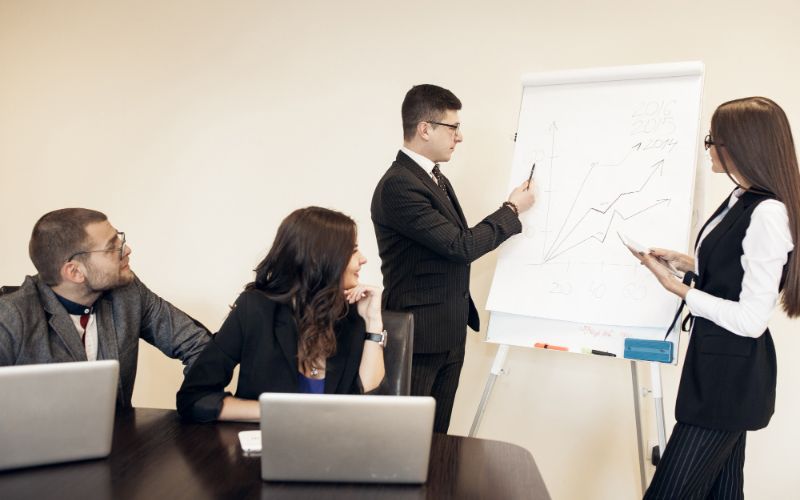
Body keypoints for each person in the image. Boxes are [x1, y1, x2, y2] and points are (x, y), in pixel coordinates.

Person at [632, 97, 800, 499]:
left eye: (713, 139)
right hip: (718, 367)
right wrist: (689, 264)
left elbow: (751, 319)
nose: (708, 147)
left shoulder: (768, 212)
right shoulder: (741, 198)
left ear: (741, 144)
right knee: (723, 493)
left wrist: (680, 289)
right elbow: (738, 272)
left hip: (730, 377)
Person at [370, 84, 535, 433]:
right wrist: (510, 210)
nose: (459, 137)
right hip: (418, 339)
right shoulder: (400, 185)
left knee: (437, 440)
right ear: (425, 128)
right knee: (407, 442)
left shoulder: (433, 178)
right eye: (453, 127)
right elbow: (460, 246)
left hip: (446, 334)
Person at [177, 207, 386, 422]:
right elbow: (194, 398)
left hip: (337, 450)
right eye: (353, 251)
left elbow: (370, 407)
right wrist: (278, 413)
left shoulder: (351, 314)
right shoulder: (255, 310)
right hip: (266, 449)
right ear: (321, 258)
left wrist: (373, 324)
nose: (363, 259)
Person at [0, 208, 212, 406]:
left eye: (120, 240)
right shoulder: (10, 318)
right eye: (112, 248)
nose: (126, 250)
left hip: (119, 440)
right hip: (35, 445)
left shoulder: (128, 292)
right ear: (74, 272)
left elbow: (199, 344)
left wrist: (199, 402)